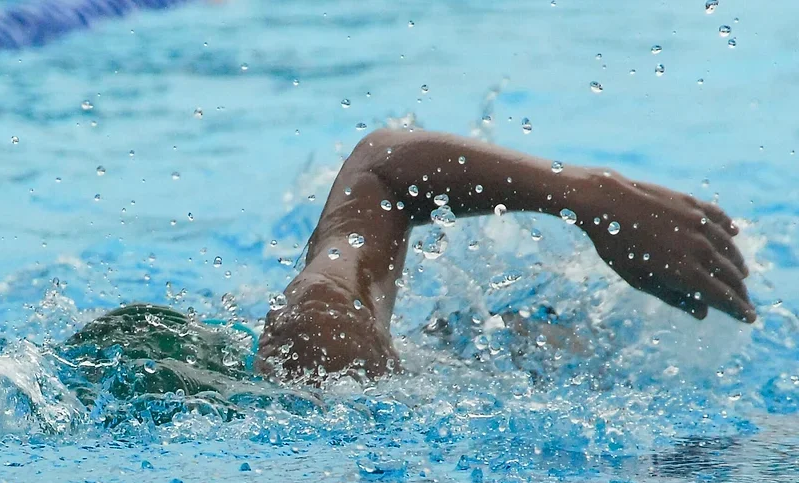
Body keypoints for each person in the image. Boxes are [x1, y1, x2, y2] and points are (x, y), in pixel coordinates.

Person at [63, 129, 754, 407]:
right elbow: (382, 167)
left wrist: (595, 197)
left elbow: (385, 170)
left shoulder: (319, 343)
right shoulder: (321, 349)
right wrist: (589, 195)